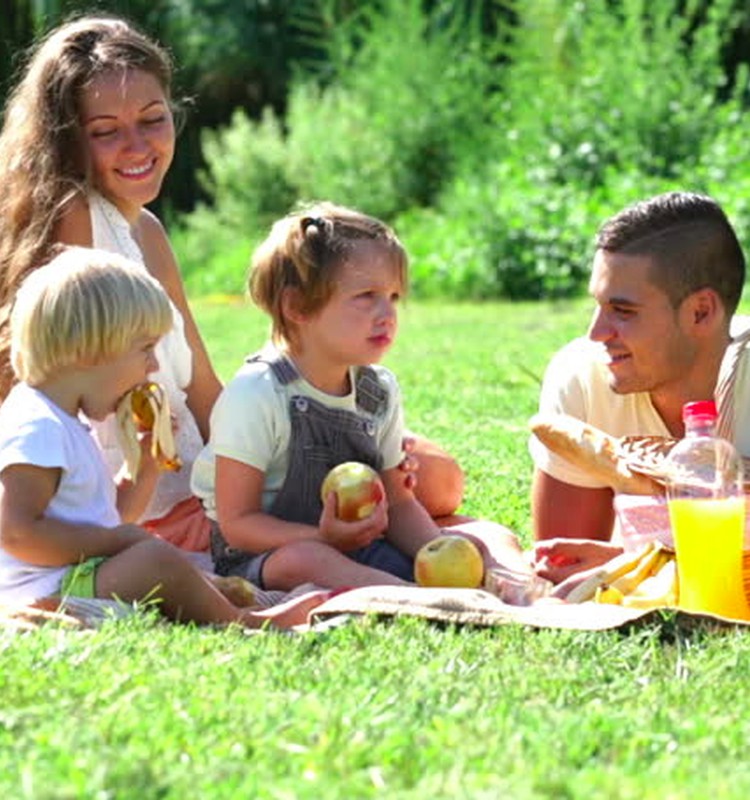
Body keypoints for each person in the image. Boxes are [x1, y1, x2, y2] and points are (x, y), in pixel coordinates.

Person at [0, 14, 463, 555]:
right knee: (415, 488)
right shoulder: (74, 218)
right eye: (105, 132)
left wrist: (270, 441)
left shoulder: (144, 229)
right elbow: (41, 381)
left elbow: (201, 387)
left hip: (207, 468)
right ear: (66, 138)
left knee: (434, 474)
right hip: (159, 499)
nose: (137, 145)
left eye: (152, 119)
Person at [191, 202, 534, 592]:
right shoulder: (257, 393)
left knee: (474, 540)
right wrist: (324, 539)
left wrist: (437, 552)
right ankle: (402, 595)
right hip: (264, 554)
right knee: (308, 561)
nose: (387, 313)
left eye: (394, 296)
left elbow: (400, 504)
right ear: (297, 306)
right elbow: (239, 525)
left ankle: (422, 588)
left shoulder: (378, 391)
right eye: (367, 295)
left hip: (359, 545)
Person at [0, 246, 327, 629]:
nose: (154, 366)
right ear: (90, 351)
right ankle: (247, 623)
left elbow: (110, 518)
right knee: (156, 561)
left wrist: (147, 467)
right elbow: (17, 532)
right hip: (44, 589)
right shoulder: (37, 425)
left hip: (77, 575)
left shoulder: (67, 422)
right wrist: (119, 543)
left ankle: (213, 597)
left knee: (163, 560)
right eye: (144, 350)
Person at [529, 191, 750, 585]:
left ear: (701, 312)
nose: (596, 333)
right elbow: (562, 569)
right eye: (597, 305)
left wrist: (634, 560)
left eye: (623, 311)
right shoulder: (583, 377)